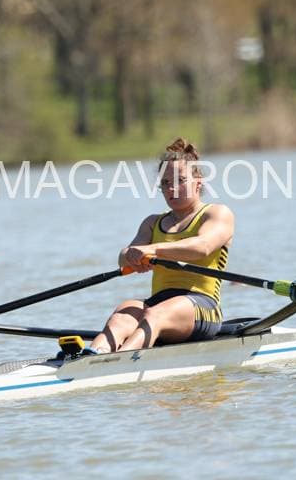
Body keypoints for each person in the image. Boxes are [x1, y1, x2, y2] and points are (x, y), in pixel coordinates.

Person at [88, 138, 234, 353]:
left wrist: (153, 250)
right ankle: (91, 356)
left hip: (202, 306)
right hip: (158, 304)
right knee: (123, 313)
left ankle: (117, 361)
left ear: (198, 182)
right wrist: (130, 256)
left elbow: (201, 247)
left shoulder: (216, 213)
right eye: (165, 183)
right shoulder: (152, 223)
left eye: (180, 180)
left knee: (154, 314)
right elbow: (124, 258)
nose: (171, 188)